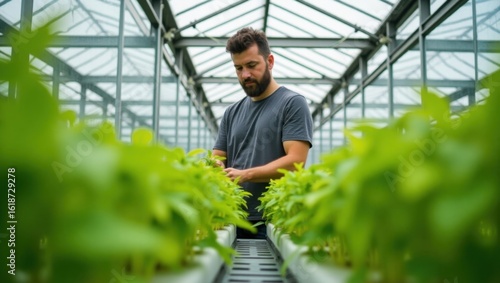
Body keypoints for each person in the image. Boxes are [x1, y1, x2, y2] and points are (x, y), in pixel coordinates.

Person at [213, 27, 313, 239]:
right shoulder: (231, 112)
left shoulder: (292, 104)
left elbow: (296, 161)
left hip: (273, 223)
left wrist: (246, 174)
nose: (245, 75)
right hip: (231, 220)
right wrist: (217, 167)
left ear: (270, 61)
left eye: (251, 65)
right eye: (238, 68)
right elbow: (217, 157)